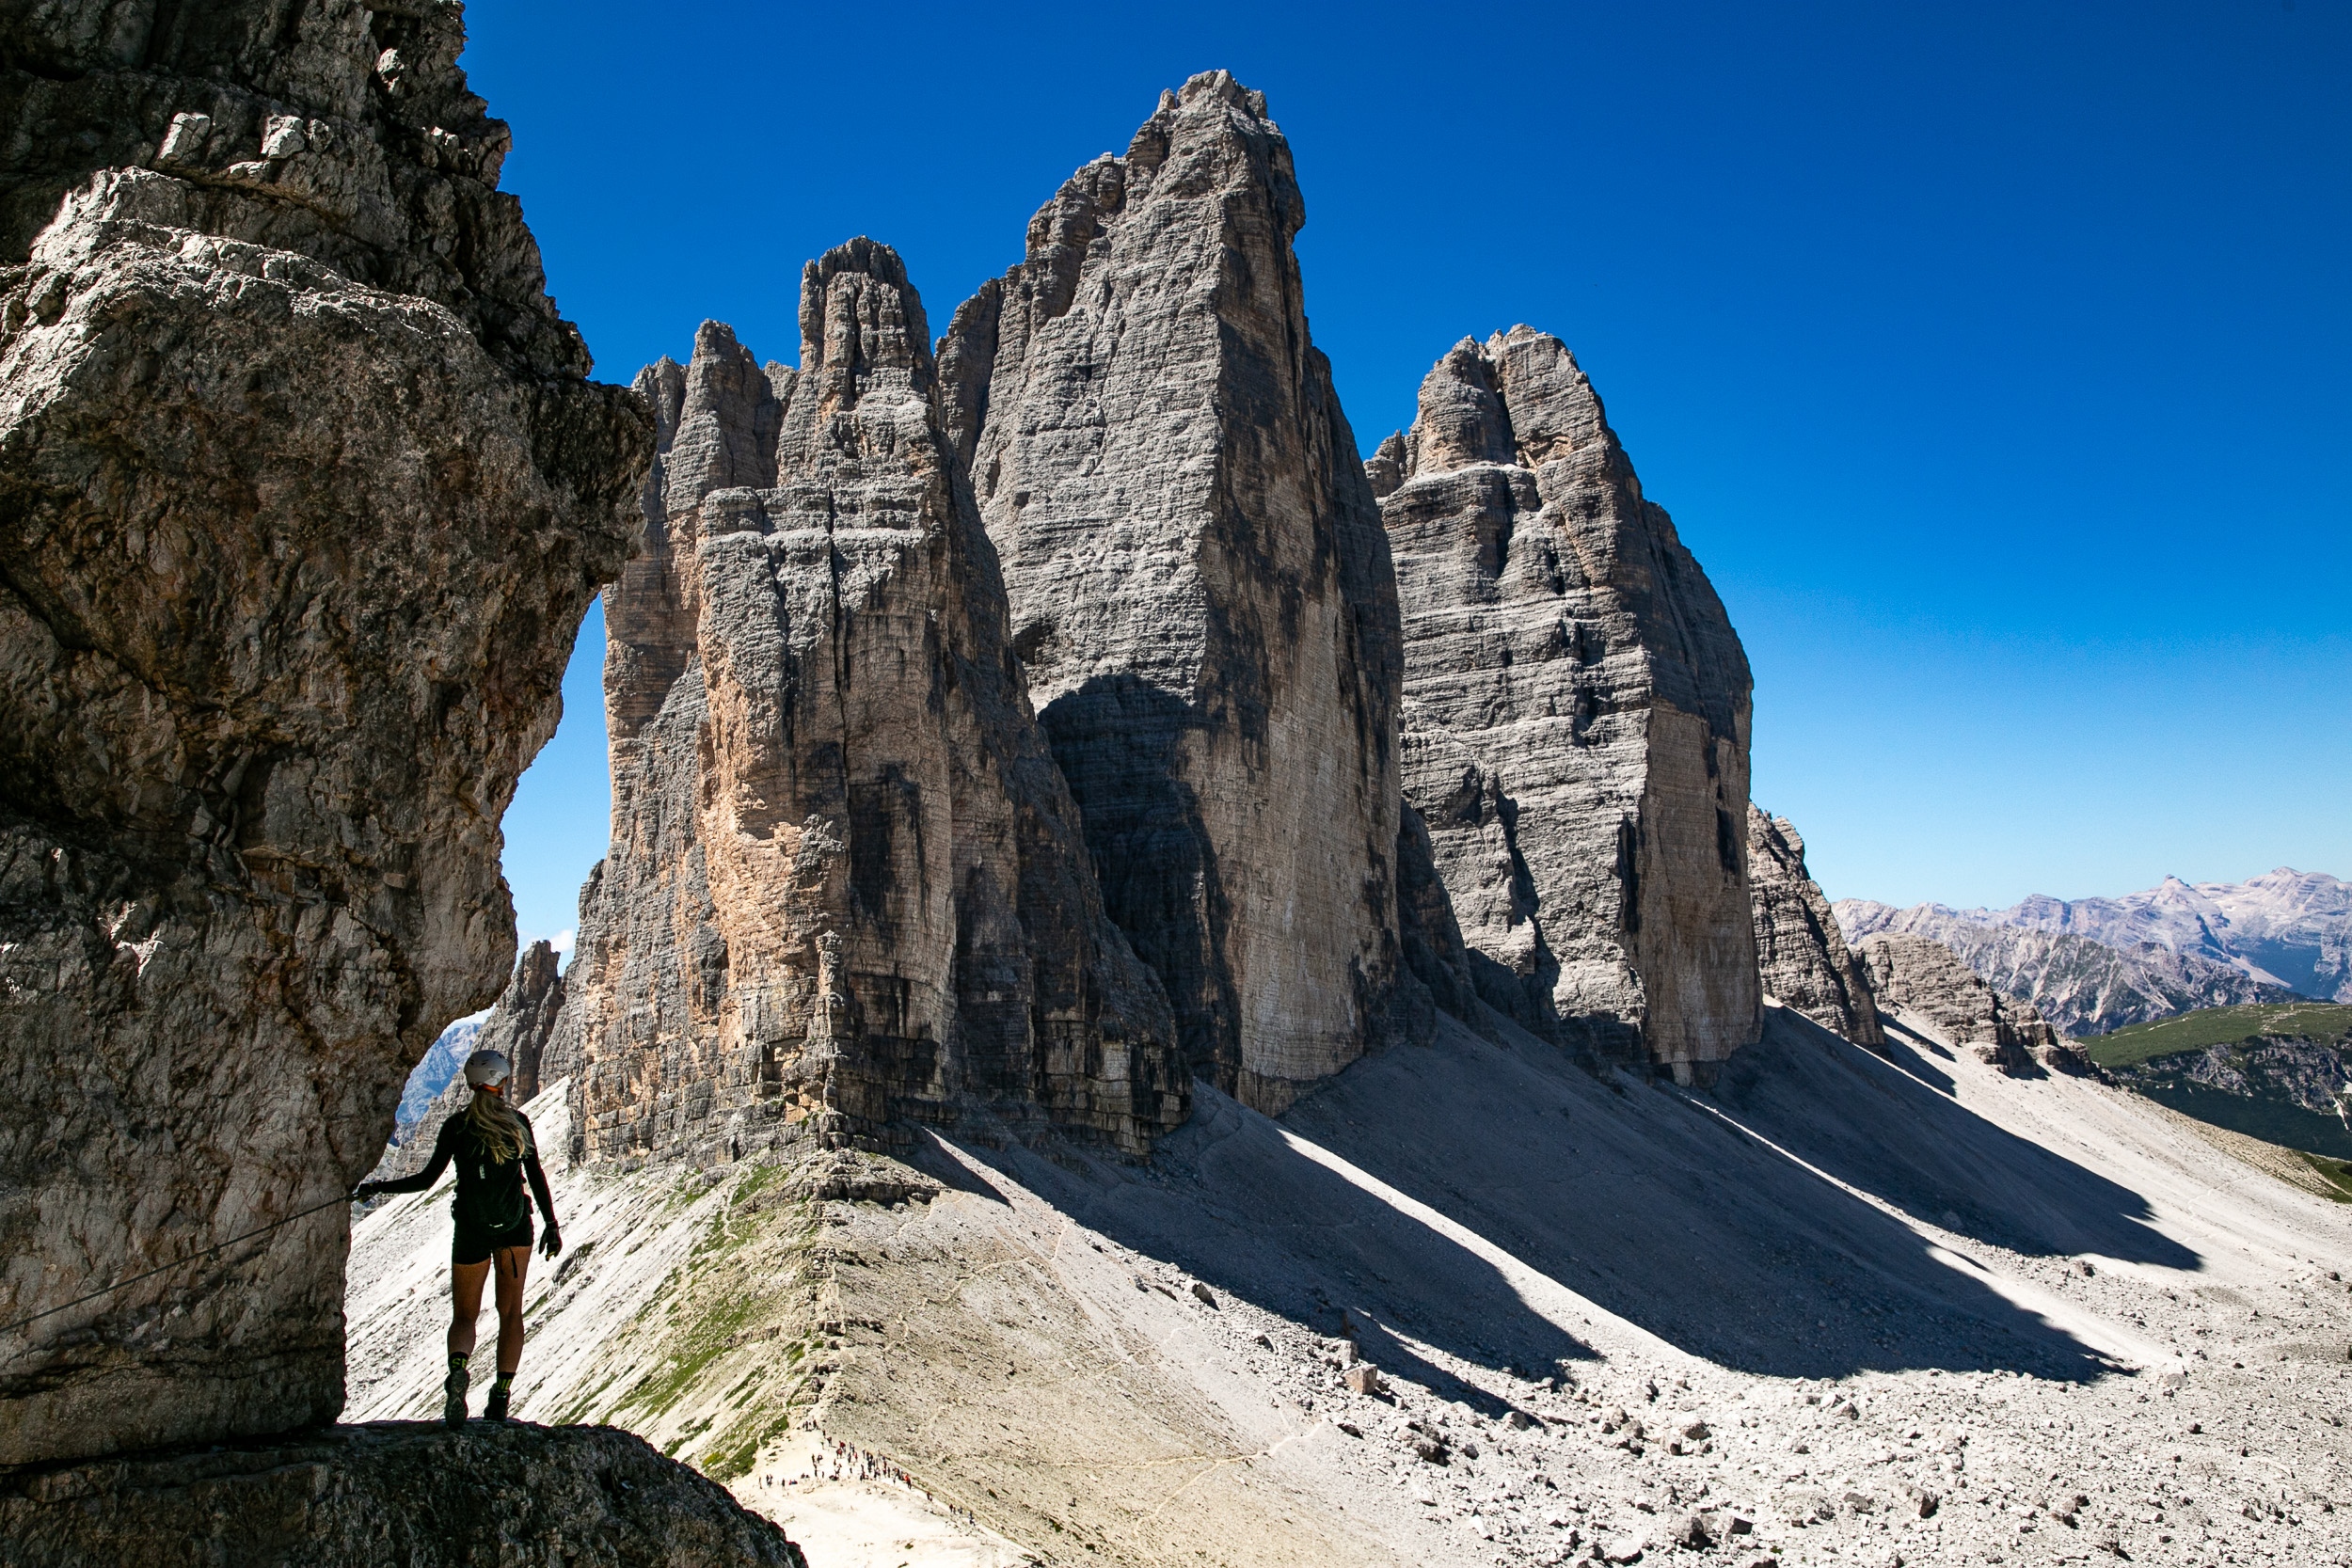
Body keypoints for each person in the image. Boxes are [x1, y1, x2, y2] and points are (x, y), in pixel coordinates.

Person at [354, 1049, 561, 1425]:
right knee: (510, 1312)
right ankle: (500, 1396)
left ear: (469, 1081)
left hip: (470, 1228)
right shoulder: (519, 1123)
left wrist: (378, 1187)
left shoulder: (456, 1126)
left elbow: (426, 1180)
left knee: (465, 1315)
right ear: (503, 1080)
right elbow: (536, 1177)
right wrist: (551, 1224)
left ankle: (458, 1371)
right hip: (516, 1229)